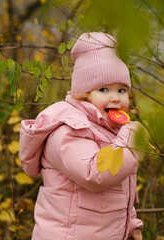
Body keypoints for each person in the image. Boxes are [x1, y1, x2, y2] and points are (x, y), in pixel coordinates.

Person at [19, 32, 144, 240]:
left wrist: (130, 223)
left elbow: (120, 187)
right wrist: (131, 140)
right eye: (104, 89)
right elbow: (96, 174)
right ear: (83, 94)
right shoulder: (67, 130)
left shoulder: (112, 131)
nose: (115, 98)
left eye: (122, 90)